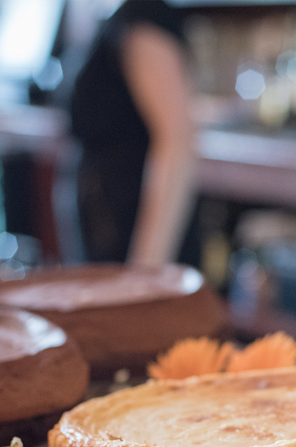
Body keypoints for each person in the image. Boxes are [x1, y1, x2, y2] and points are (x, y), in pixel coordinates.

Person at [67, 0, 198, 267]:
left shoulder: (143, 17)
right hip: (112, 237)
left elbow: (177, 142)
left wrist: (145, 269)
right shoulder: (120, 17)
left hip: (132, 240)